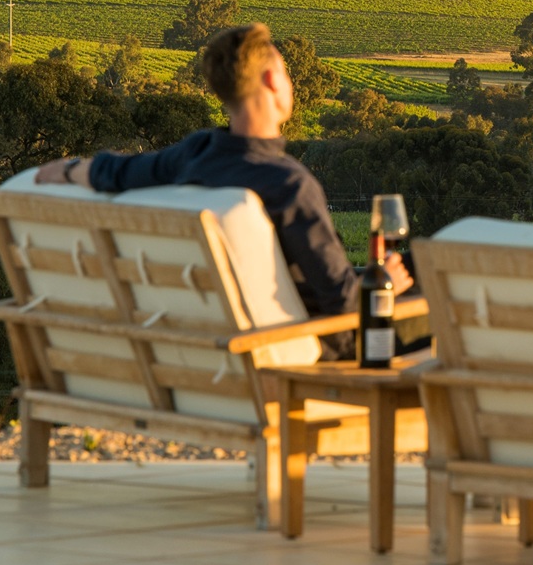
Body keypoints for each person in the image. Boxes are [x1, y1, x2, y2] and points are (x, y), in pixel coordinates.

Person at [34, 23, 409, 356]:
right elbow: (343, 305)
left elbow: (120, 171)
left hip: (208, 353)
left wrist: (69, 170)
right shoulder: (289, 185)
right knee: (429, 300)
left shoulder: (194, 154)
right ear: (270, 80)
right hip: (315, 350)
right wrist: (386, 281)